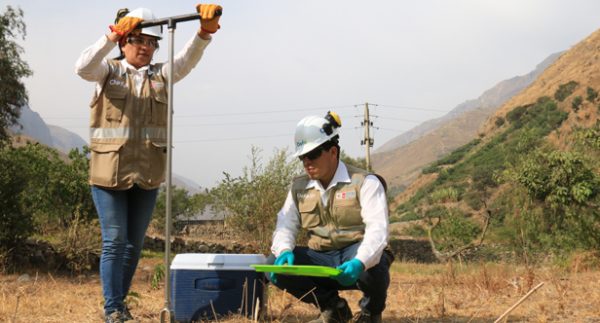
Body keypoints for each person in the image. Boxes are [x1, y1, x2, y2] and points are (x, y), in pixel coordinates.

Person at [75, 5, 222, 323]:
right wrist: (109, 34)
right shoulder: (107, 72)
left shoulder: (161, 77)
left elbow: (186, 61)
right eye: (138, 39)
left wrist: (204, 32)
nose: (145, 46)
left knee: (133, 246)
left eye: (152, 42)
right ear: (123, 41)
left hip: (148, 173)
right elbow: (83, 66)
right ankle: (112, 309)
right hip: (108, 173)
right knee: (114, 240)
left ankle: (120, 305)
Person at [269, 111, 394, 323]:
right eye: (303, 157)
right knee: (273, 265)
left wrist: (359, 262)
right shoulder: (298, 188)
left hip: (355, 253)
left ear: (333, 151)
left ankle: (370, 313)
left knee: (375, 261)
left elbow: (378, 231)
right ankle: (333, 308)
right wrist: (283, 250)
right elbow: (285, 225)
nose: (307, 161)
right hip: (321, 257)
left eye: (314, 154)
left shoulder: (365, 182)